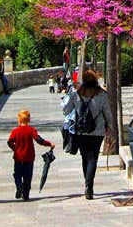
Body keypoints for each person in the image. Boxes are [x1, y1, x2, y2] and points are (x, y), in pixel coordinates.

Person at [61, 70, 115, 200]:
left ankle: (87, 184)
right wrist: (110, 127)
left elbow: (65, 110)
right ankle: (89, 186)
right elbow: (108, 113)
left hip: (81, 131)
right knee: (93, 158)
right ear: (96, 80)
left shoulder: (76, 94)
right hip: (97, 131)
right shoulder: (102, 95)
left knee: (85, 157)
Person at [6, 110, 54, 201]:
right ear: (29, 120)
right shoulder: (31, 130)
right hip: (29, 157)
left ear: (19, 120)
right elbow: (39, 140)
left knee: (17, 174)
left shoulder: (15, 131)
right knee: (28, 176)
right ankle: (26, 194)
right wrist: (49, 144)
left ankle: (19, 185)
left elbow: (9, 142)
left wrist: (15, 149)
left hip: (18, 157)